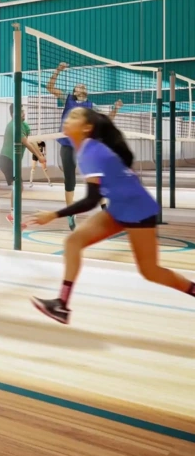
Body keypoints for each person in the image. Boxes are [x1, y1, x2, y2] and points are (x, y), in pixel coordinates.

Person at [26, 107, 195, 324]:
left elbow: (91, 201)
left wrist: (54, 214)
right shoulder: (87, 150)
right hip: (119, 208)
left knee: (151, 271)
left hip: (138, 210)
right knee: (73, 242)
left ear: (87, 128)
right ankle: (62, 305)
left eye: (75, 116)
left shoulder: (92, 152)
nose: (68, 118)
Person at [45, 62, 122, 222]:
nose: (82, 86)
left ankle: (104, 208)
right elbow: (49, 87)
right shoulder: (67, 99)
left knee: (94, 176)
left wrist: (116, 108)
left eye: (83, 86)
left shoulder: (90, 105)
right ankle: (70, 215)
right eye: (79, 86)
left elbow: (107, 119)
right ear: (74, 91)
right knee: (70, 179)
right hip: (67, 146)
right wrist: (58, 70)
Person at [0, 105, 48, 225]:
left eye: (23, 111)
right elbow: (25, 143)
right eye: (21, 112)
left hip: (12, 161)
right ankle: (12, 215)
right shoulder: (14, 125)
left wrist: (40, 155)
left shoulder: (24, 125)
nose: (24, 113)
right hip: (7, 160)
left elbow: (30, 141)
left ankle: (13, 214)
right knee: (18, 186)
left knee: (19, 187)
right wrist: (39, 156)